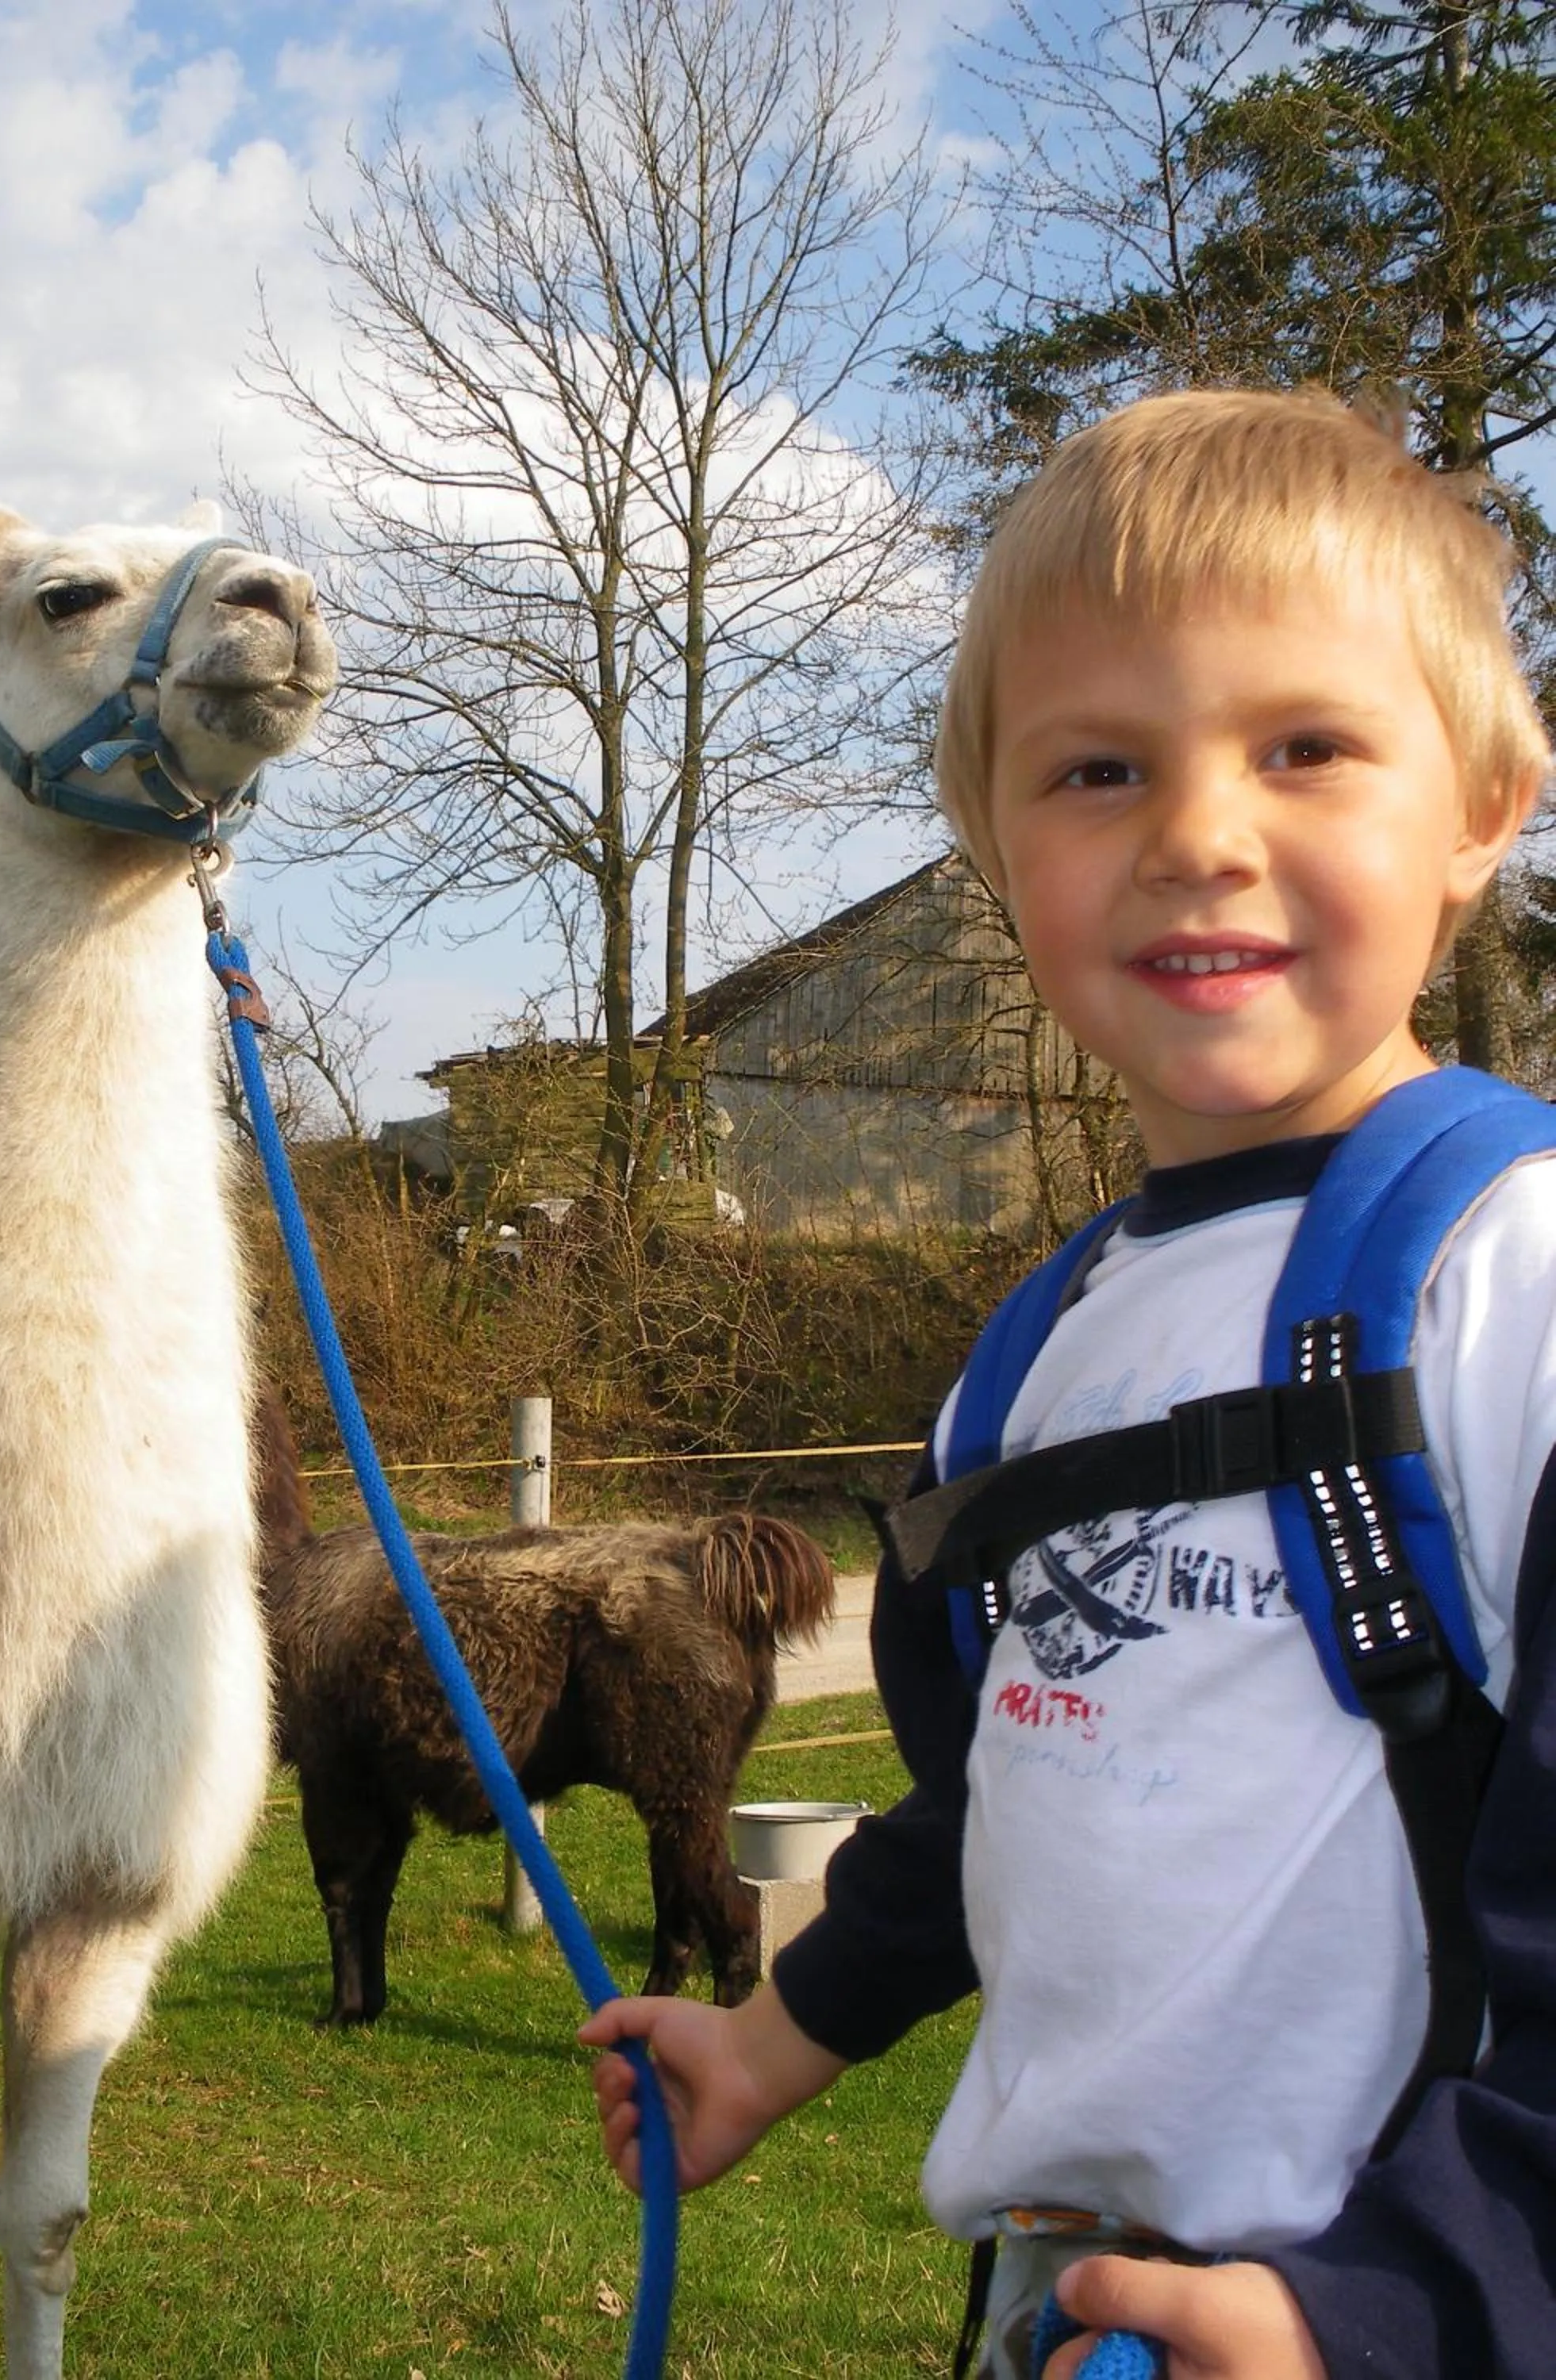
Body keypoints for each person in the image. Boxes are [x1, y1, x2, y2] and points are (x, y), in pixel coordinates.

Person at [579, 386, 1556, 2379]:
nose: (1198, 836)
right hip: (1064, 2308)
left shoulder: (1509, 1284)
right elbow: (1008, 1797)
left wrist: (1392, 2312)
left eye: (1306, 748)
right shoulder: (1034, 1362)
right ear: (997, 848)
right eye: (1099, 770)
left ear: (1482, 804)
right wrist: (767, 2047)